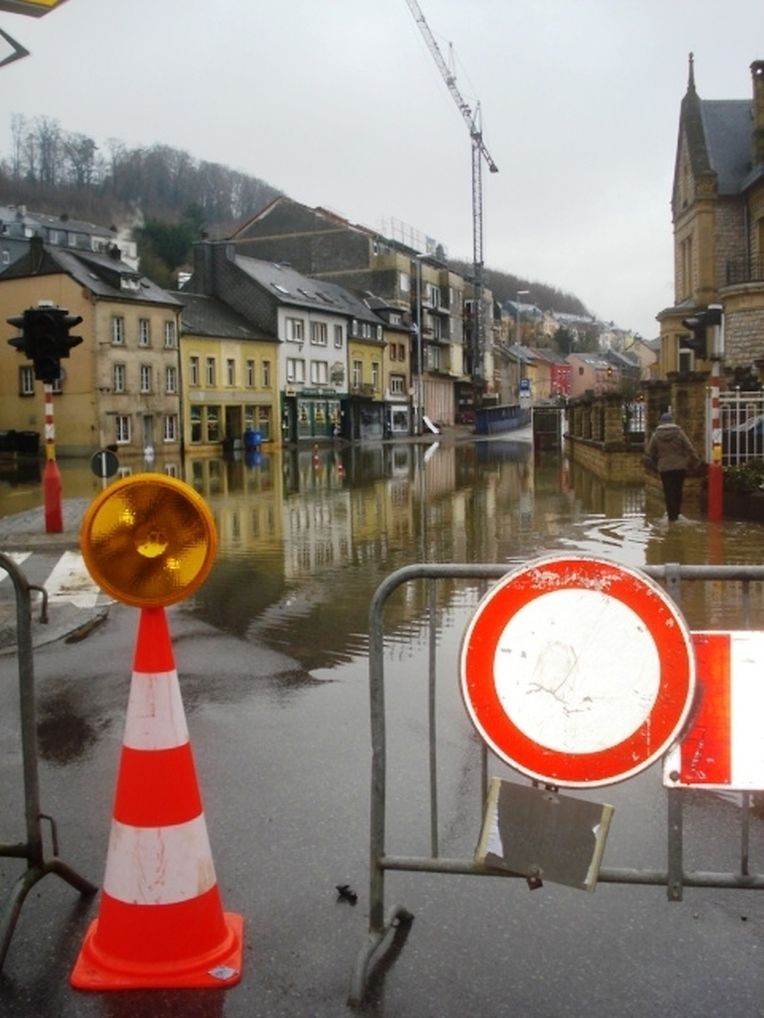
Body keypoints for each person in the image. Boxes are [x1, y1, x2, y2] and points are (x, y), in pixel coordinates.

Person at [645, 411, 702, 521]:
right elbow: (689, 448)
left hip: (664, 468)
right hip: (680, 467)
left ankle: (671, 515)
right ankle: (677, 513)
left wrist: (656, 463)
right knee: (678, 490)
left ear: (661, 422)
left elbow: (650, 452)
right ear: (672, 421)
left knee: (668, 491)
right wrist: (695, 461)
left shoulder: (656, 435)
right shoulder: (680, 433)